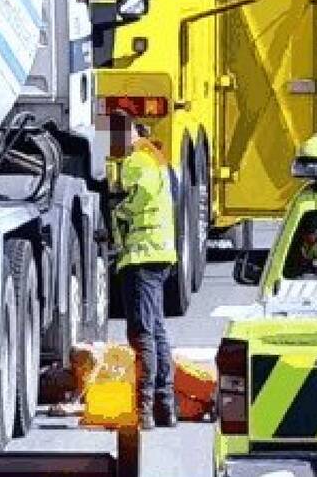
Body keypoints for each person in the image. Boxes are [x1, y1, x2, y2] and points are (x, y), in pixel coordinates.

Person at [108, 111, 178, 430]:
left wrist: (117, 208)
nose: (116, 140)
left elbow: (139, 197)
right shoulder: (156, 157)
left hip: (141, 254)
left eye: (121, 133)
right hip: (160, 252)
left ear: (136, 132)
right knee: (157, 328)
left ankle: (145, 406)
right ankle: (165, 404)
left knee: (142, 331)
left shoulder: (137, 160)